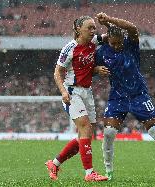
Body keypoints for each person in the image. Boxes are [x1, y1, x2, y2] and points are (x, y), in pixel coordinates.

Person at [95, 13, 155, 182]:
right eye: (113, 43)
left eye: (118, 43)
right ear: (108, 41)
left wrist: (109, 20)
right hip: (117, 97)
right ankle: (109, 172)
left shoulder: (130, 45)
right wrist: (96, 70)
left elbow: (132, 28)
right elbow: (89, 66)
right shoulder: (102, 51)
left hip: (139, 95)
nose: (116, 46)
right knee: (108, 133)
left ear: (123, 40)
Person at [45, 15, 110, 182]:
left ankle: (54, 163)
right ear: (78, 29)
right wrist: (63, 92)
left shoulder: (93, 42)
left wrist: (109, 22)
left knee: (87, 134)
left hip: (87, 92)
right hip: (72, 91)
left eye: (94, 27)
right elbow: (57, 72)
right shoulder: (70, 48)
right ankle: (89, 173)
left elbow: (111, 36)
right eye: (89, 28)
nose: (93, 31)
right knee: (85, 129)